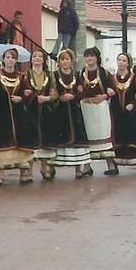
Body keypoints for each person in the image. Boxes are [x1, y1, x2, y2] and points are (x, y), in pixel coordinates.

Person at [0, 47, 36, 185]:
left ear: (16, 60)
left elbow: (29, 92)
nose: (10, 60)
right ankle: (0, 175)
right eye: (8, 57)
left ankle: (24, 174)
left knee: (22, 141)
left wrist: (21, 98)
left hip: (19, 114)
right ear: (3, 59)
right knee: (2, 141)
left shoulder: (22, 76)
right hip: (2, 113)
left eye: (13, 58)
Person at [48, 48, 93, 178]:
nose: (65, 61)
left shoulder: (77, 75)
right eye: (62, 59)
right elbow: (51, 91)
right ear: (59, 62)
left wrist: (73, 96)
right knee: (57, 138)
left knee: (77, 140)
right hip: (59, 111)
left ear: (72, 61)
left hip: (74, 111)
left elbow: (82, 92)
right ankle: (52, 168)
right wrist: (58, 96)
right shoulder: (54, 75)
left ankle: (78, 169)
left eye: (67, 59)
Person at [108, 51, 136, 175]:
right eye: (119, 60)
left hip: (132, 115)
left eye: (124, 60)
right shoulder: (112, 78)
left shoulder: (135, 78)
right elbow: (108, 90)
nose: (121, 63)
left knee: (133, 140)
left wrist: (134, 103)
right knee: (119, 140)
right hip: (117, 113)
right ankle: (115, 166)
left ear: (128, 63)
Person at [77, 47, 116, 170]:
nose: (89, 58)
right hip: (86, 109)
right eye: (87, 56)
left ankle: (110, 165)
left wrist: (105, 95)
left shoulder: (104, 73)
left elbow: (114, 88)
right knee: (88, 136)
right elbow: (77, 91)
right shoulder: (80, 74)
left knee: (105, 135)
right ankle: (87, 167)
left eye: (92, 56)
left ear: (97, 58)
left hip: (101, 109)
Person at [26, 49, 58, 179]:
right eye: (35, 56)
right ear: (31, 59)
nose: (37, 58)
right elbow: (24, 90)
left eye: (40, 56)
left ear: (44, 60)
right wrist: (30, 96)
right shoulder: (26, 74)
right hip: (31, 110)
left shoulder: (49, 75)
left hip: (46, 111)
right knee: (31, 140)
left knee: (45, 140)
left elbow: (55, 93)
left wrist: (47, 99)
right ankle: (29, 171)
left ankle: (44, 168)